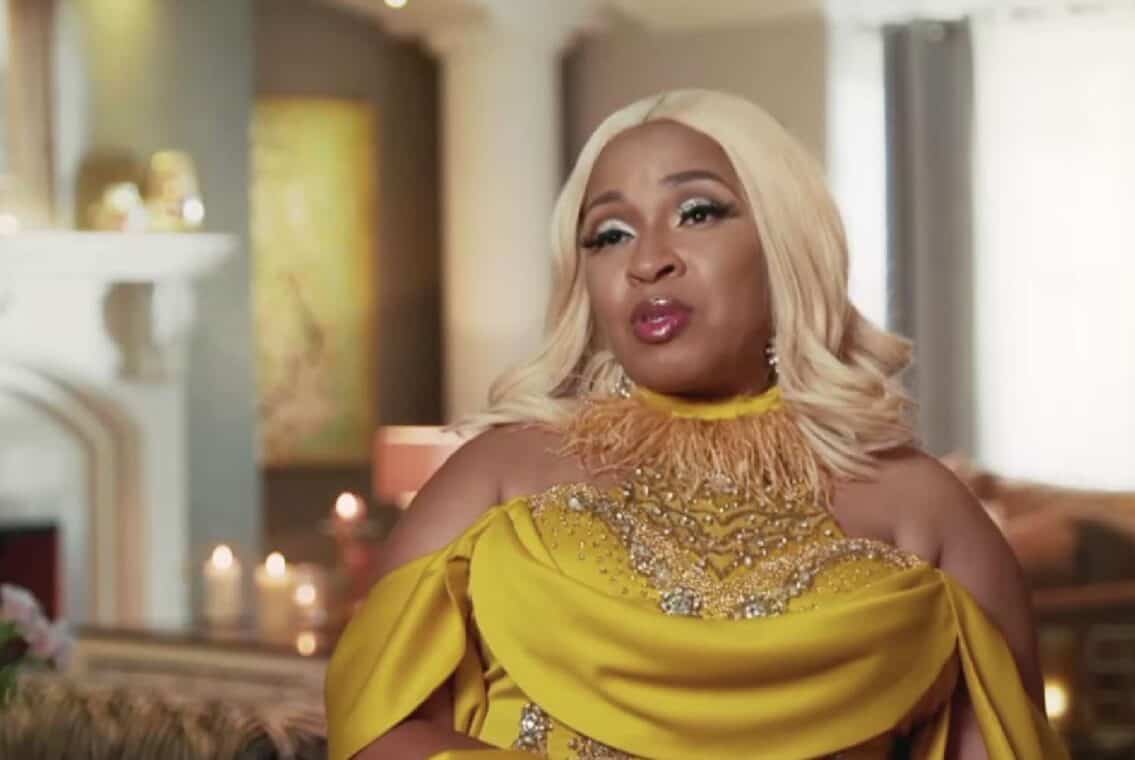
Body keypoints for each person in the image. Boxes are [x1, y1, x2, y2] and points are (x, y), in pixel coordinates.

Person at [326, 90, 1067, 760]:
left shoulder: (928, 513)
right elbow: (375, 731)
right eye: (610, 234)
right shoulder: (495, 476)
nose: (648, 261)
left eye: (698, 213)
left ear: (784, 244)